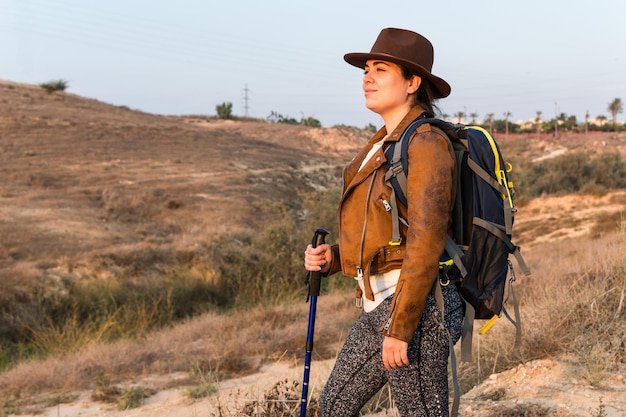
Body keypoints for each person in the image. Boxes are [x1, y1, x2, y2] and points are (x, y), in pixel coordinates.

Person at [303, 28, 464, 416]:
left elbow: (425, 241)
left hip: (419, 306)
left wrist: (402, 327)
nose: (367, 77)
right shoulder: (384, 144)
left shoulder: (426, 142)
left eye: (381, 69)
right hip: (383, 304)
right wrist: (335, 259)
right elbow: (386, 235)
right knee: (336, 404)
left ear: (412, 82)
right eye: (366, 69)